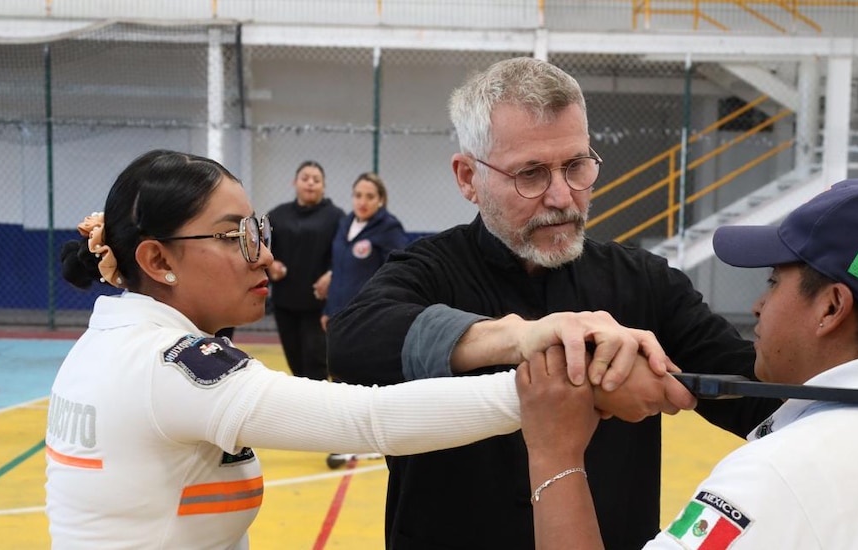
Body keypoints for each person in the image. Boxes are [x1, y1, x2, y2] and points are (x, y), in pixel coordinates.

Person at [46, 149, 628, 549]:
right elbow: (370, 419)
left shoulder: (111, 342)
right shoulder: (168, 367)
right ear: (156, 260)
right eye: (236, 237)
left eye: (259, 232)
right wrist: (545, 388)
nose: (261, 257)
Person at [327, 56, 780, 550]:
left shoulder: (645, 283)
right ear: (467, 178)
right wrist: (520, 337)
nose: (562, 196)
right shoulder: (429, 270)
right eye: (531, 173)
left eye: (576, 166)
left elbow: (757, 398)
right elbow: (352, 343)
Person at [522, 178, 858, 549]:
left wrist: (555, 454)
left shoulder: (775, 477)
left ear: (831, 308)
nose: (758, 305)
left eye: (774, 282)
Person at [265, 160, 343, 380]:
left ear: (324, 186)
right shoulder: (277, 215)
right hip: (285, 303)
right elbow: (262, 249)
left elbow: (343, 255)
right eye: (305, 178)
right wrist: (271, 264)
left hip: (318, 306)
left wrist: (331, 274)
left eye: (316, 180)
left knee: (315, 362)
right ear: (294, 182)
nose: (310, 183)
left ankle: (317, 410)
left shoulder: (336, 217)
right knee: (295, 362)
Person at [320, 171, 408, 332]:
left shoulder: (389, 228)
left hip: (368, 317)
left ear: (380, 200)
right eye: (358, 195)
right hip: (338, 314)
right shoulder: (344, 224)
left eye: (370, 196)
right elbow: (338, 270)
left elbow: (398, 272)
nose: (363, 202)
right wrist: (329, 310)